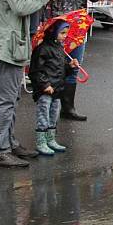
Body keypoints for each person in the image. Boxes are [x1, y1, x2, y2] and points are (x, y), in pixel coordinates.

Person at [0, 0, 56, 167]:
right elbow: (21, 7)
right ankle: (0, 150)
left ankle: (10, 142)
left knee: (12, 97)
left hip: (13, 43)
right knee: (6, 99)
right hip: (8, 44)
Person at [40, 0, 99, 121]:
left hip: (78, 26)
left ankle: (68, 108)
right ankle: (50, 109)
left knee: (74, 66)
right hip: (58, 26)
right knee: (56, 67)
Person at [29, 20, 78, 156]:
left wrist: (70, 66)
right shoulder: (42, 49)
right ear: (53, 32)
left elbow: (60, 70)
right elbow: (36, 70)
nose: (64, 36)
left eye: (66, 33)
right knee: (43, 115)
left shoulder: (60, 49)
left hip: (57, 89)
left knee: (53, 115)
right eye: (62, 33)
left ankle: (50, 139)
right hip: (46, 90)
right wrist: (45, 85)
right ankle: (41, 141)